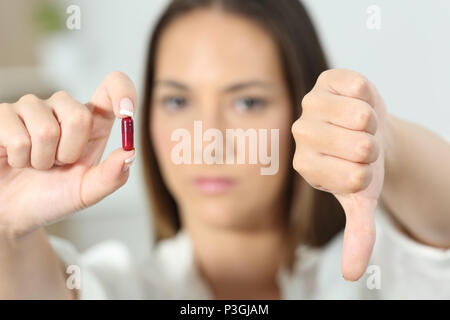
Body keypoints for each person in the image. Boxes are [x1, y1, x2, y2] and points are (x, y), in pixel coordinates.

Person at [0, 0, 449, 300]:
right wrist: (8, 226)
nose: (207, 138)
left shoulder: (378, 280)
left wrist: (380, 139)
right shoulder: (114, 287)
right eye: (177, 101)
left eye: (247, 101)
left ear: (304, 112)